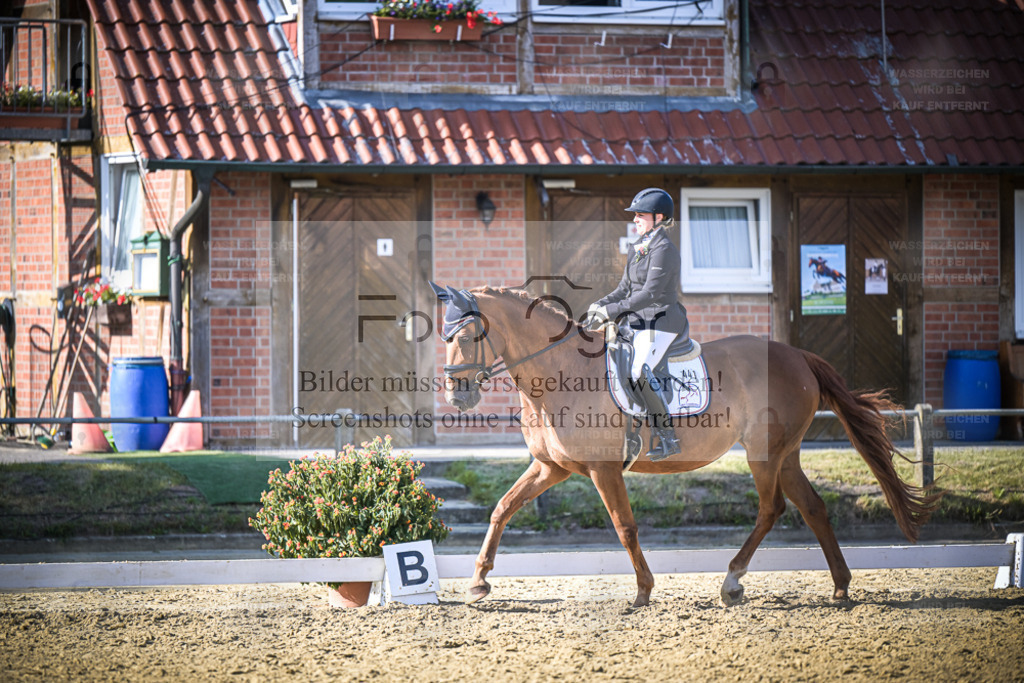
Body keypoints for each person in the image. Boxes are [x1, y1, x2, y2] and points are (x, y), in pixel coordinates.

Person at [585, 188, 690, 461]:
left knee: (638, 370)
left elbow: (649, 294)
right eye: (635, 216)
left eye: (640, 215)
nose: (635, 220)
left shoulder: (664, 250)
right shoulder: (639, 247)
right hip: (639, 321)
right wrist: (599, 304)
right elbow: (624, 289)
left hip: (662, 321)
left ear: (659, 217)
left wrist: (612, 311)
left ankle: (668, 438)